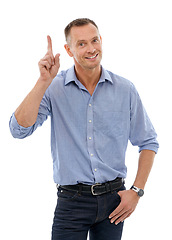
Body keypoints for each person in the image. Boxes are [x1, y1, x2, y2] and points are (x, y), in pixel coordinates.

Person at [9, 18, 159, 240]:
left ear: (101, 41)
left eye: (94, 40)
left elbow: (148, 142)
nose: (91, 49)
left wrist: (136, 191)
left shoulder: (125, 89)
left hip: (114, 202)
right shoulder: (54, 88)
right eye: (81, 44)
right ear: (69, 50)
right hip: (72, 202)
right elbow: (18, 129)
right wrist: (43, 82)